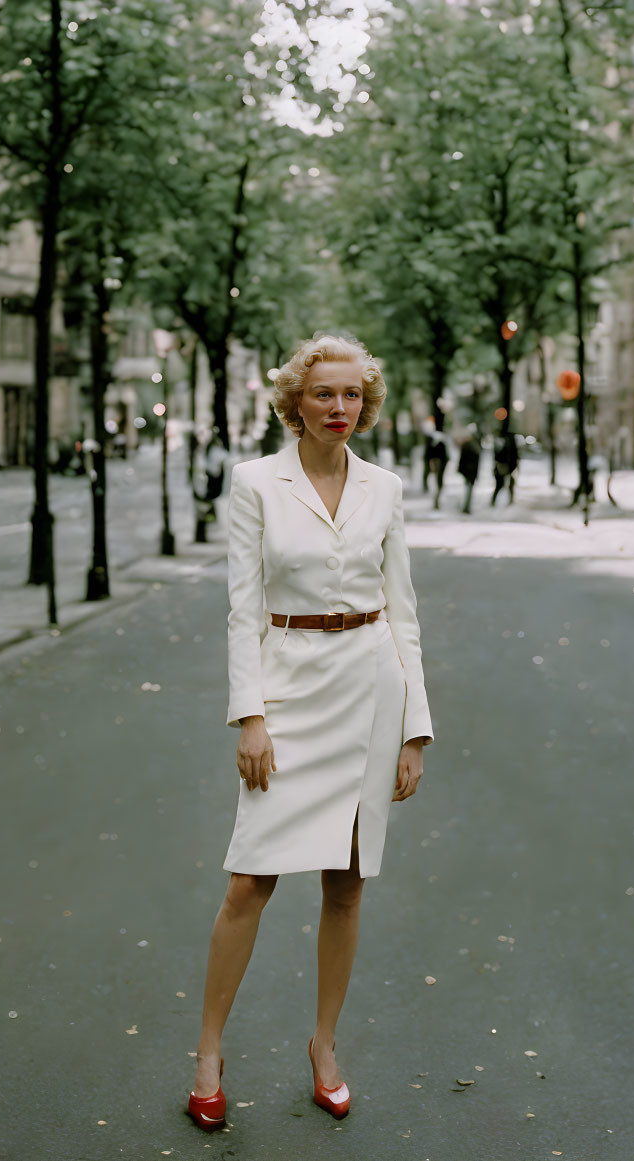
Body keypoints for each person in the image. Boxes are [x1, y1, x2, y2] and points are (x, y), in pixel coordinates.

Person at [187, 334, 434, 1130]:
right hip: (289, 687)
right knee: (249, 881)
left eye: (352, 395)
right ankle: (208, 1052)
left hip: (370, 688)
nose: (339, 408)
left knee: (346, 882)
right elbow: (239, 607)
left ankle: (324, 1045)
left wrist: (413, 729)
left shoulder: (385, 488)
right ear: (295, 400)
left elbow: (403, 611)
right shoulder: (255, 481)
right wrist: (250, 716)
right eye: (324, 394)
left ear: (367, 403)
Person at [456, 425, 481, 514]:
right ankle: (465, 507)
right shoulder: (468, 445)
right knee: (467, 490)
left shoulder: (475, 445)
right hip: (468, 472)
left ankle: (466, 507)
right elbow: (462, 459)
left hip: (471, 472)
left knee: (469, 490)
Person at [491, 430, 519, 507]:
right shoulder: (504, 444)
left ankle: (509, 501)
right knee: (501, 484)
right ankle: (494, 501)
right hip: (503, 466)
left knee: (507, 484)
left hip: (507, 466)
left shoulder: (506, 443)